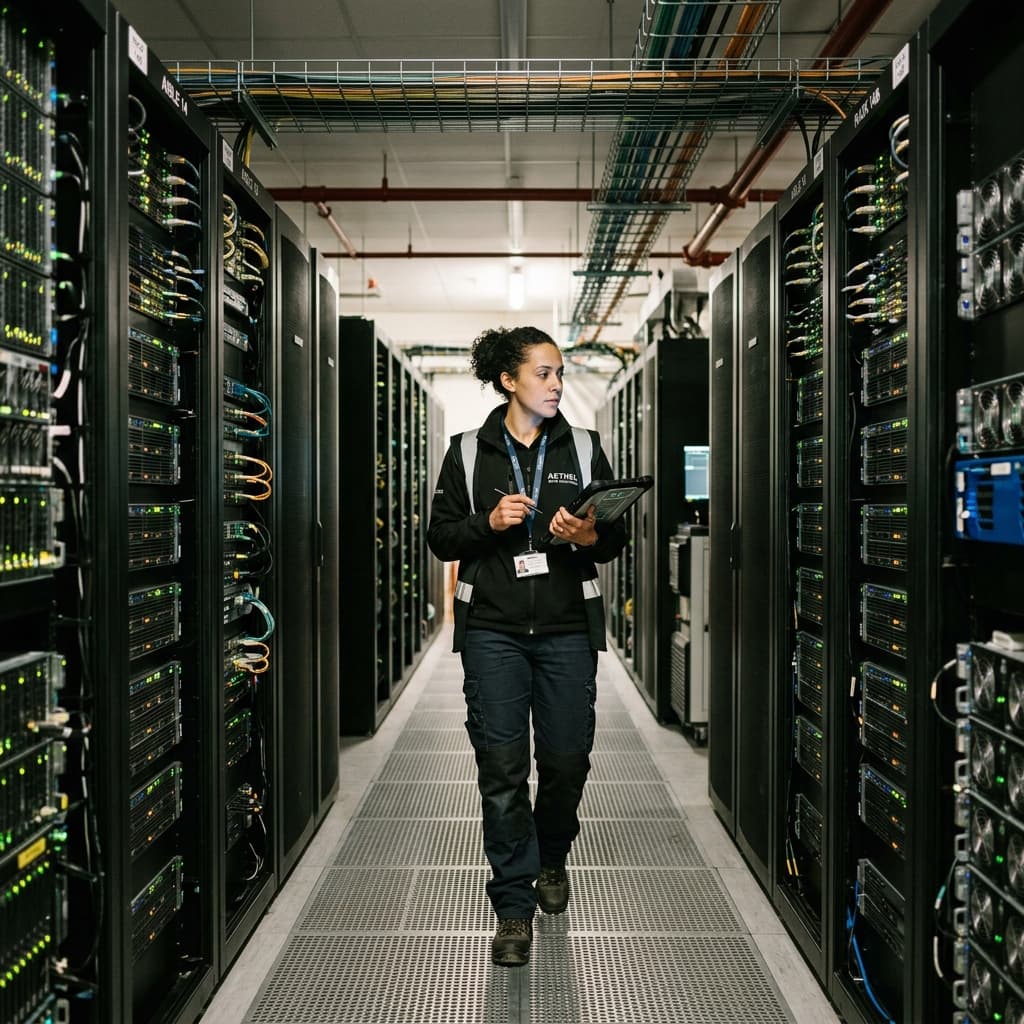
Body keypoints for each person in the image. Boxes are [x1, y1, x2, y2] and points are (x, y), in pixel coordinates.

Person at [427, 326, 626, 967]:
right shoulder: (465, 452)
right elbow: (441, 539)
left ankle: (552, 856)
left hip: (568, 627)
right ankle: (512, 908)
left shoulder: (587, 448)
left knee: (567, 762)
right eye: (544, 374)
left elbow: (616, 540)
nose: (557, 385)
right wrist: (488, 523)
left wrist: (589, 534)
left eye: (560, 373)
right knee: (503, 772)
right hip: (493, 632)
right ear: (509, 381)